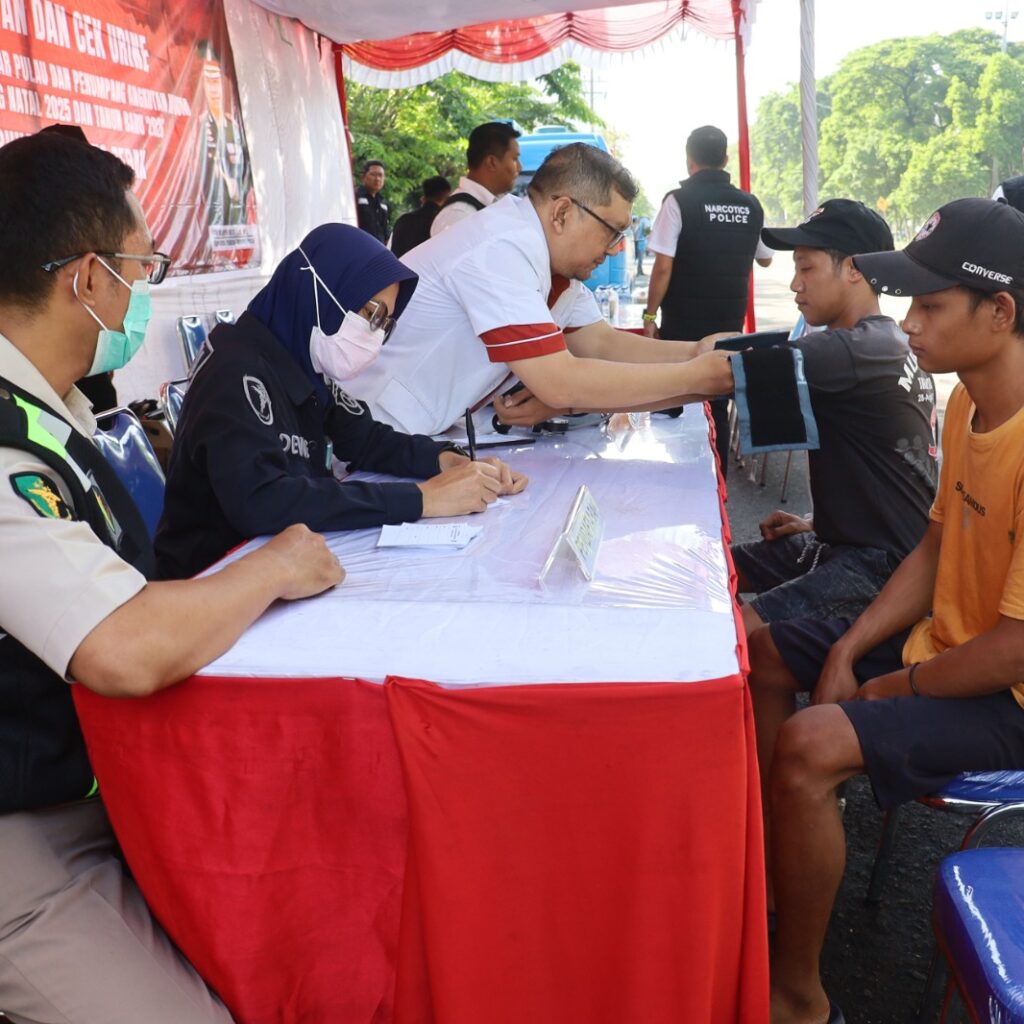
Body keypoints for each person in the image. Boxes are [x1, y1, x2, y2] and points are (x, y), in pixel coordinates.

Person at [0, 131, 342, 1023]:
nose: (145, 293)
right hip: (23, 838)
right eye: (141, 268)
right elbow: (122, 647)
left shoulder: (56, 410)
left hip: (103, 783)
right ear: (86, 277)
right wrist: (274, 564)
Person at [753, 197, 1024, 1024]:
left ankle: (798, 996)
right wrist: (855, 646)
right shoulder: (966, 402)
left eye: (932, 306)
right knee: (761, 653)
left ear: (1001, 312)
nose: (910, 324)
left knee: (810, 741)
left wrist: (891, 689)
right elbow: (935, 548)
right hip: (943, 644)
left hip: (1006, 696)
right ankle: (779, 865)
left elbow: (1015, 652)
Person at [155, 223, 526, 580]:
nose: (375, 336)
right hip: (209, 581)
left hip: (278, 564)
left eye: (385, 324)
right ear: (319, 288)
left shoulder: (300, 357)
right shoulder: (235, 370)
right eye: (370, 314)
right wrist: (422, 500)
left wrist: (446, 461)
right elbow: (264, 500)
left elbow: (364, 438)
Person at [342, 142, 734, 437]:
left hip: (412, 432)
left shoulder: (547, 260)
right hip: (368, 433)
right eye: (612, 231)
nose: (616, 247)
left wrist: (696, 353)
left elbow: (601, 344)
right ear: (562, 212)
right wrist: (697, 379)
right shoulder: (501, 248)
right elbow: (561, 382)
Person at [733, 199, 937, 642]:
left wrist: (574, 386)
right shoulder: (883, 341)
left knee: (735, 637)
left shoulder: (854, 349)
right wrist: (817, 519)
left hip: (880, 563)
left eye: (806, 268)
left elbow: (717, 371)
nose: (793, 284)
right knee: (717, 571)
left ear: (855, 270)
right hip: (848, 541)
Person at [642, 125, 772, 474]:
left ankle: (676, 480)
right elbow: (766, 257)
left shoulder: (678, 201)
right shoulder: (750, 204)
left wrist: (649, 317)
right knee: (716, 403)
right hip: (729, 324)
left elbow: (663, 267)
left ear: (690, 161)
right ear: (725, 159)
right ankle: (718, 487)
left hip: (682, 325)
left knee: (674, 401)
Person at [430, 121, 521, 237]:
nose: (520, 167)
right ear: (492, 162)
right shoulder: (459, 215)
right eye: (514, 159)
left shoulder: (493, 205)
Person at [390, 174, 451, 257]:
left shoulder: (404, 220)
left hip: (399, 268)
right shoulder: (442, 223)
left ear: (424, 197)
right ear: (446, 196)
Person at [355, 160, 390, 243]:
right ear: (363, 177)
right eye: (373, 174)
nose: (377, 179)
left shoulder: (383, 204)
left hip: (378, 250)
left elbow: (385, 232)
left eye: (380, 175)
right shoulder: (355, 197)